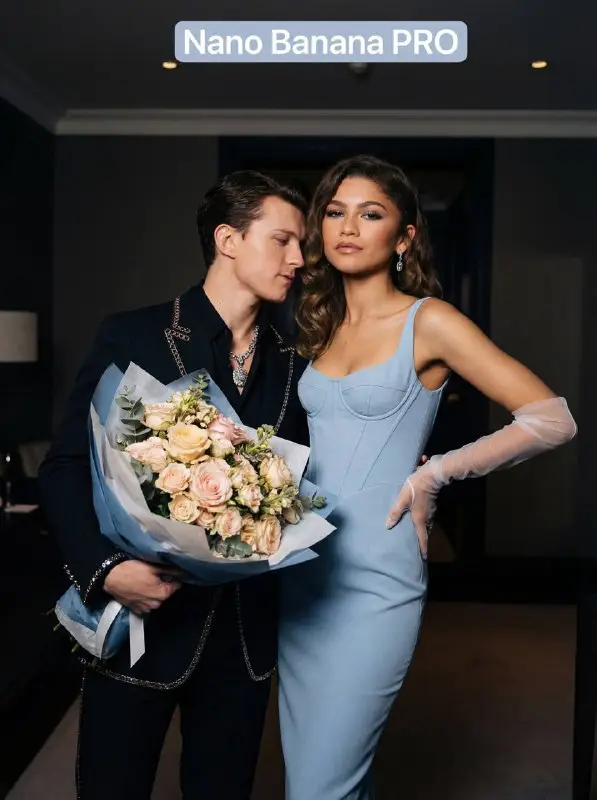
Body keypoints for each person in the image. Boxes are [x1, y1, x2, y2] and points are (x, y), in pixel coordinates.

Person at [276, 154, 577, 799]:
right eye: (335, 212)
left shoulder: (429, 320)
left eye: (370, 214)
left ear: (404, 236)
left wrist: (437, 472)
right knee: (318, 777)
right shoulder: (320, 325)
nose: (347, 226)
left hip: (375, 578)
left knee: (321, 787)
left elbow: (552, 419)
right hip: (302, 573)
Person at [38, 169, 309, 799]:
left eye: (301, 245)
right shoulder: (134, 334)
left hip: (244, 639)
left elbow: (306, 484)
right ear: (228, 240)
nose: (298, 259)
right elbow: (66, 467)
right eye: (283, 240)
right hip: (140, 624)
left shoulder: (298, 365)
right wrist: (106, 571)